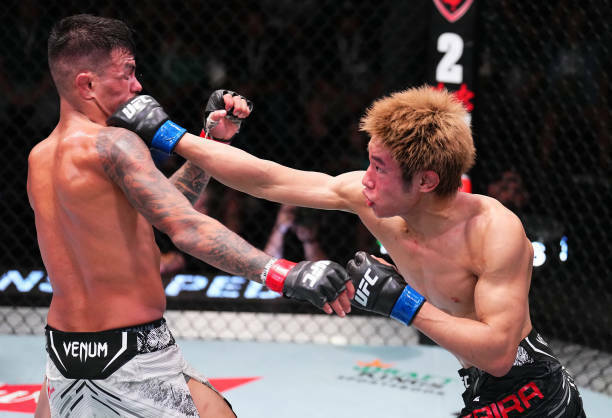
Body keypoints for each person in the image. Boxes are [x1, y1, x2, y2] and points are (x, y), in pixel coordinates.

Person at [113, 86, 586, 416]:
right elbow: (268, 179)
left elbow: (500, 354)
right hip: (480, 389)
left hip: (536, 397)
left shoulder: (494, 231)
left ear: (425, 181)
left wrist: (402, 303)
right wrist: (171, 135)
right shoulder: (373, 201)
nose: (366, 179)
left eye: (379, 167)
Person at [28, 14, 354, 417]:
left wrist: (210, 143)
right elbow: (185, 226)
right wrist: (283, 273)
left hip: (63, 353)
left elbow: (159, 209)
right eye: (126, 74)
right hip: (131, 356)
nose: (137, 86)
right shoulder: (115, 143)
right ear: (87, 85)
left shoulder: (40, 157)